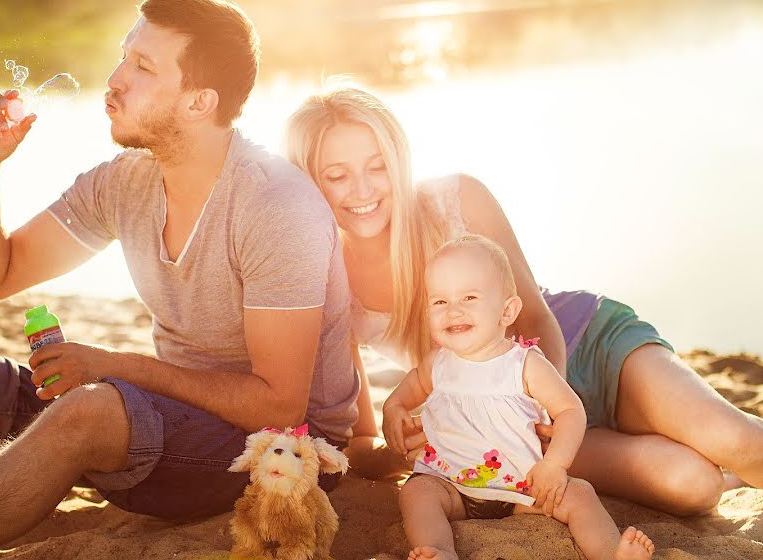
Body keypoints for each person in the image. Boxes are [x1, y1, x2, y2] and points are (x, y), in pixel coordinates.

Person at [0, 0, 359, 559]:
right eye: (125, 56)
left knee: (92, 407)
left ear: (199, 102)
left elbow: (279, 408)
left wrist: (116, 367)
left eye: (143, 67)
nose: (116, 78)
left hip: (280, 457)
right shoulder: (124, 183)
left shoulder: (275, 206)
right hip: (167, 431)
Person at [285, 85, 763, 516]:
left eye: (378, 167)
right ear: (309, 180)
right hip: (510, 430)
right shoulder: (323, 278)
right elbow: (362, 439)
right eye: (338, 176)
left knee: (737, 440)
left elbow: (533, 312)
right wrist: (403, 443)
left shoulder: (456, 198)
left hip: (586, 349)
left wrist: (545, 409)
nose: (364, 190)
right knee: (694, 486)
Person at [384, 235, 655, 560]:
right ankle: (440, 552)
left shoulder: (524, 364)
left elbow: (570, 410)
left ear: (507, 310)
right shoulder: (437, 364)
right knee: (415, 493)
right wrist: (393, 407)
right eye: (439, 302)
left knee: (580, 495)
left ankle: (613, 554)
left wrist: (554, 465)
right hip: (451, 483)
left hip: (521, 487)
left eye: (469, 297)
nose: (453, 311)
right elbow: (409, 388)